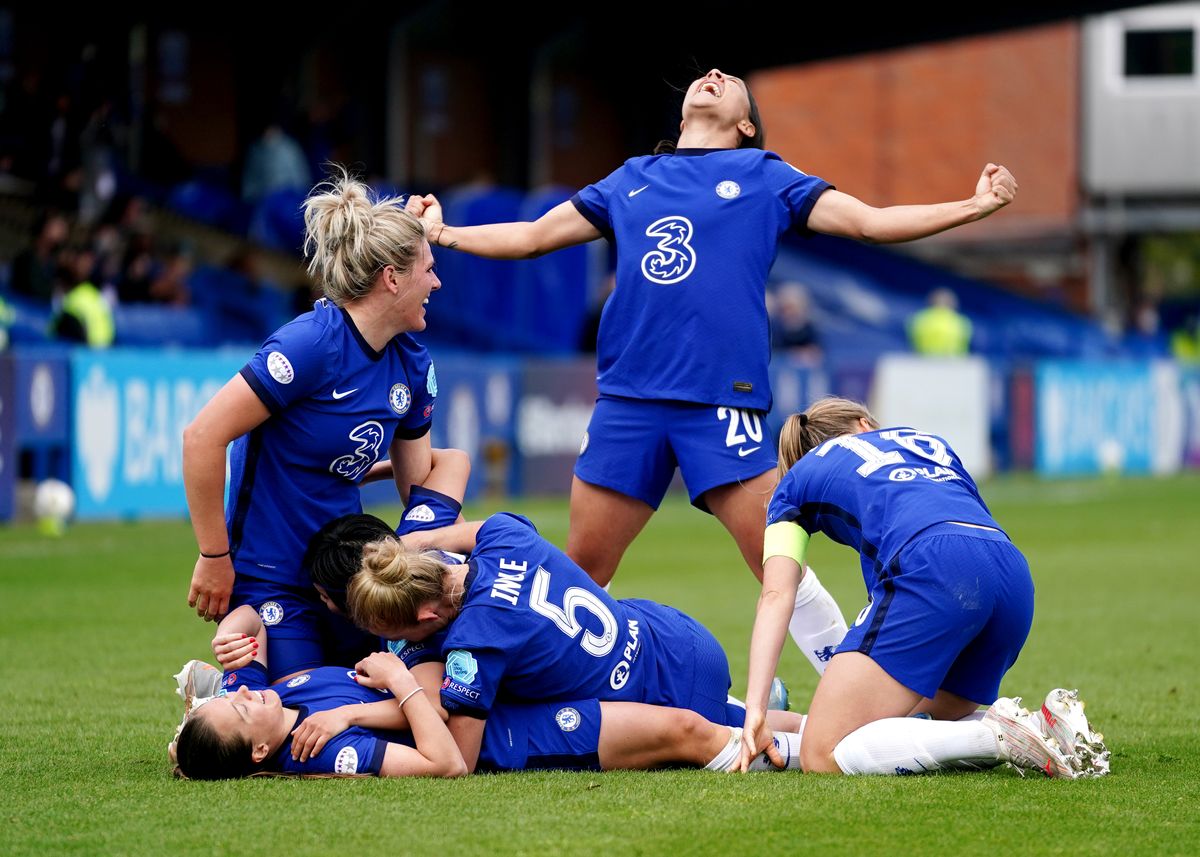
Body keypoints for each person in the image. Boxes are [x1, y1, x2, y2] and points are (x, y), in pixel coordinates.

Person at [405, 67, 1016, 674]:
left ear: (747, 124)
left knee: (778, 563)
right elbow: (534, 236)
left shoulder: (767, 175)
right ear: (682, 115)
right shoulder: (632, 178)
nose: (714, 73)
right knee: (582, 572)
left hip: (722, 405)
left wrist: (975, 205)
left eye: (730, 79)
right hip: (627, 403)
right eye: (705, 74)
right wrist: (445, 232)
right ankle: (566, 686)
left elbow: (870, 222)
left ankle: (849, 687)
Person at [737, 397, 1109, 777]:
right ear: (864, 424)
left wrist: (757, 709)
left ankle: (994, 735)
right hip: (1010, 573)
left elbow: (778, 593)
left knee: (822, 753)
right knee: (895, 725)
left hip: (934, 569)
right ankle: (1044, 728)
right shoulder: (925, 442)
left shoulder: (793, 482)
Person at [182, 170, 442, 681]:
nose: (436, 283)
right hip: (272, 576)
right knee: (299, 719)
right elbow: (202, 437)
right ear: (392, 278)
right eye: (428, 269)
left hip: (354, 577)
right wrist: (214, 556)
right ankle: (223, 697)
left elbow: (420, 491)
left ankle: (229, 695)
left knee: (391, 699)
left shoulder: (413, 363)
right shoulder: (311, 345)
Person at [344, 511, 794, 771]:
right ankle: (810, 724)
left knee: (747, 741)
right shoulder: (503, 534)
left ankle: (802, 753)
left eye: (399, 637)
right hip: (684, 640)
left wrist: (401, 679)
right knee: (742, 713)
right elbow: (445, 537)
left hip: (667, 701)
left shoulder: (473, 645)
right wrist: (408, 549)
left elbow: (458, 758)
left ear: (427, 615)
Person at [172, 606, 804, 779]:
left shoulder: (267, 698)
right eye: (237, 710)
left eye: (231, 697)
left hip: (498, 695)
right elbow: (446, 761)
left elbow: (250, 623)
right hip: (511, 733)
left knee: (715, 714)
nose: (243, 696)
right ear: (259, 754)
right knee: (682, 731)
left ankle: (833, 727)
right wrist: (393, 684)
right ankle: (814, 758)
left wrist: (235, 630)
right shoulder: (321, 753)